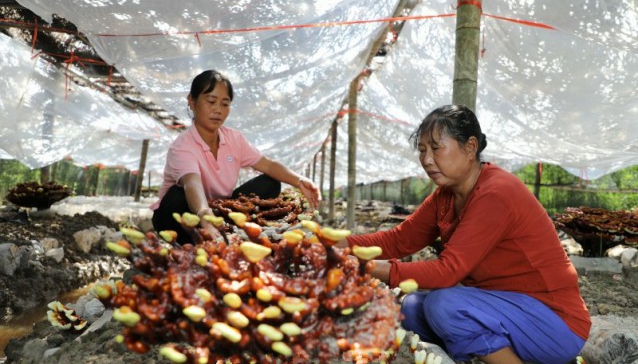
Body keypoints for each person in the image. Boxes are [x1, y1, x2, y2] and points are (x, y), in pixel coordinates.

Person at [341, 105, 590, 364]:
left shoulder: (496, 193)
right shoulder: (446, 195)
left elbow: (449, 271)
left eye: (436, 148)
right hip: (509, 310)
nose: (426, 159)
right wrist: (338, 244)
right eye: (422, 150)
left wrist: (369, 267)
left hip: (555, 323)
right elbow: (400, 239)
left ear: (470, 147)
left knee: (443, 305)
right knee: (413, 308)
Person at [151, 70, 321, 244]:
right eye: (211, 101)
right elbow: (191, 183)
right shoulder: (182, 146)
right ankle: (192, 240)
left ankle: (229, 232)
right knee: (176, 196)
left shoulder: (234, 139)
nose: (218, 110)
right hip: (179, 216)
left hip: (217, 210)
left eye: (225, 104)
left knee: (269, 183)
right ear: (192, 102)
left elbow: (268, 165)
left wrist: (300, 181)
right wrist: (205, 215)